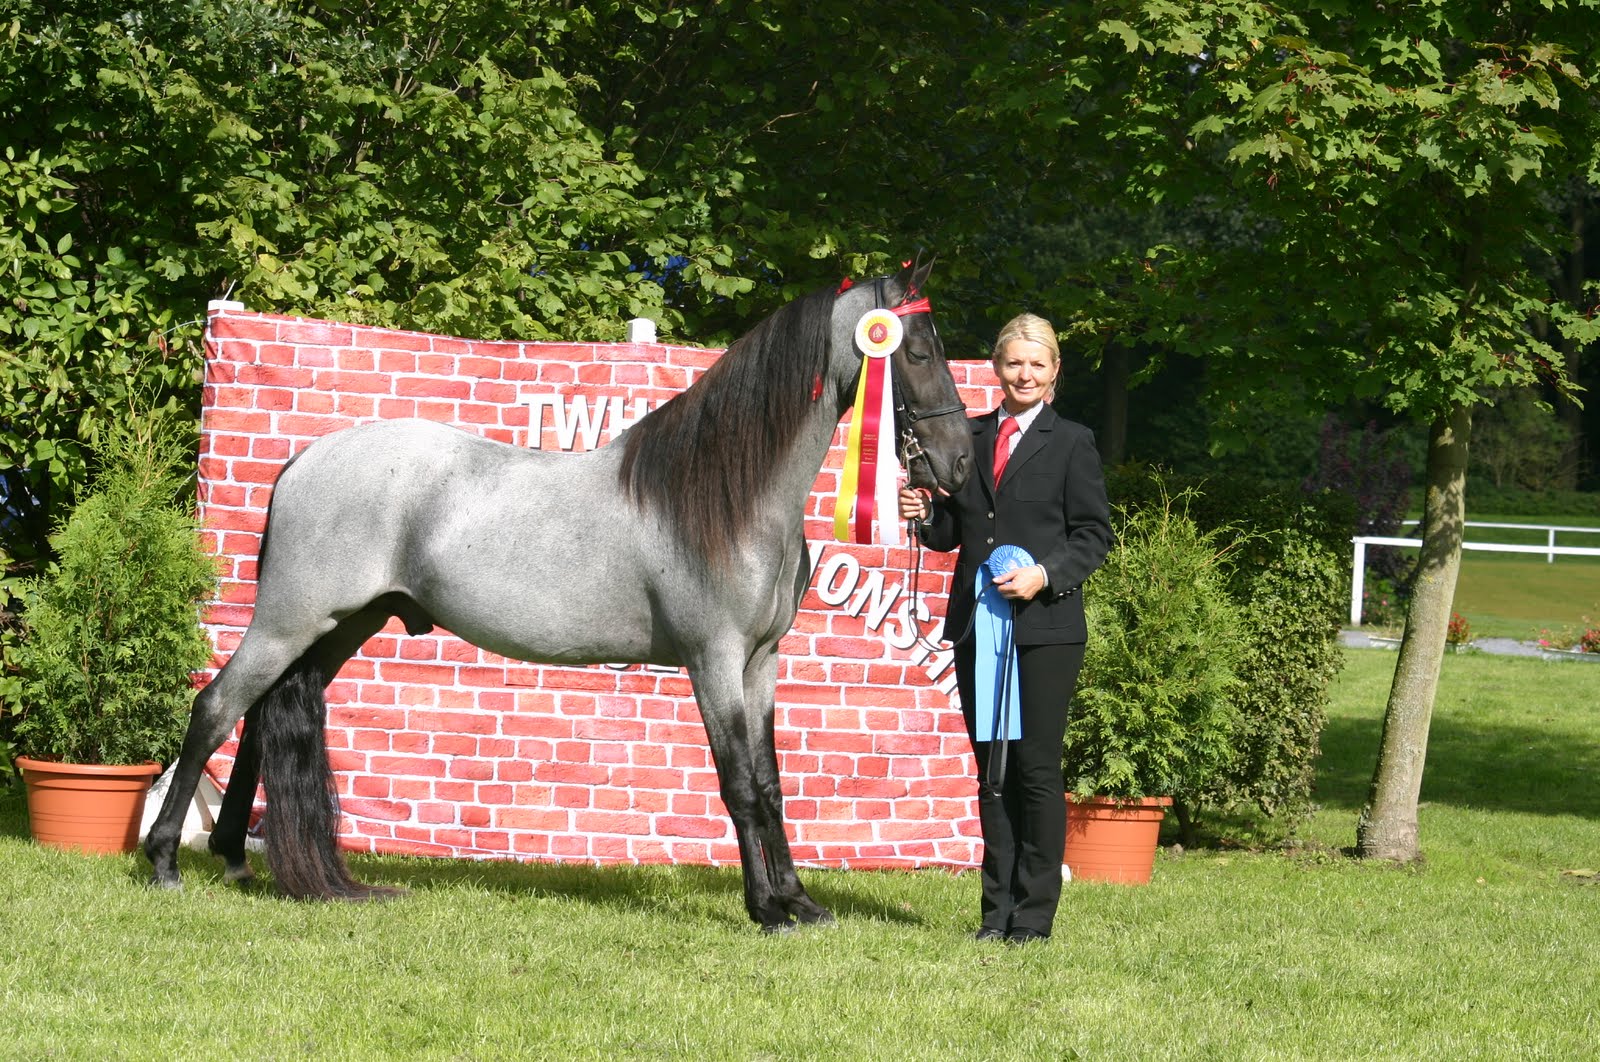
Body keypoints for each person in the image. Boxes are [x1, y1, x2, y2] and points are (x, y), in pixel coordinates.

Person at [899, 312, 1112, 944]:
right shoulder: (968, 436)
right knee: (990, 770)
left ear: (1054, 373)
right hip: (975, 628)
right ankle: (994, 918)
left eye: (1037, 364)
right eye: (1014, 362)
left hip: (1044, 631)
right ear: (997, 367)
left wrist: (1044, 575)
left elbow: (1093, 535)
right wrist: (923, 515)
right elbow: (954, 536)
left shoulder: (1073, 442)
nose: (1025, 374)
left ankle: (1033, 918)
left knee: (1035, 770)